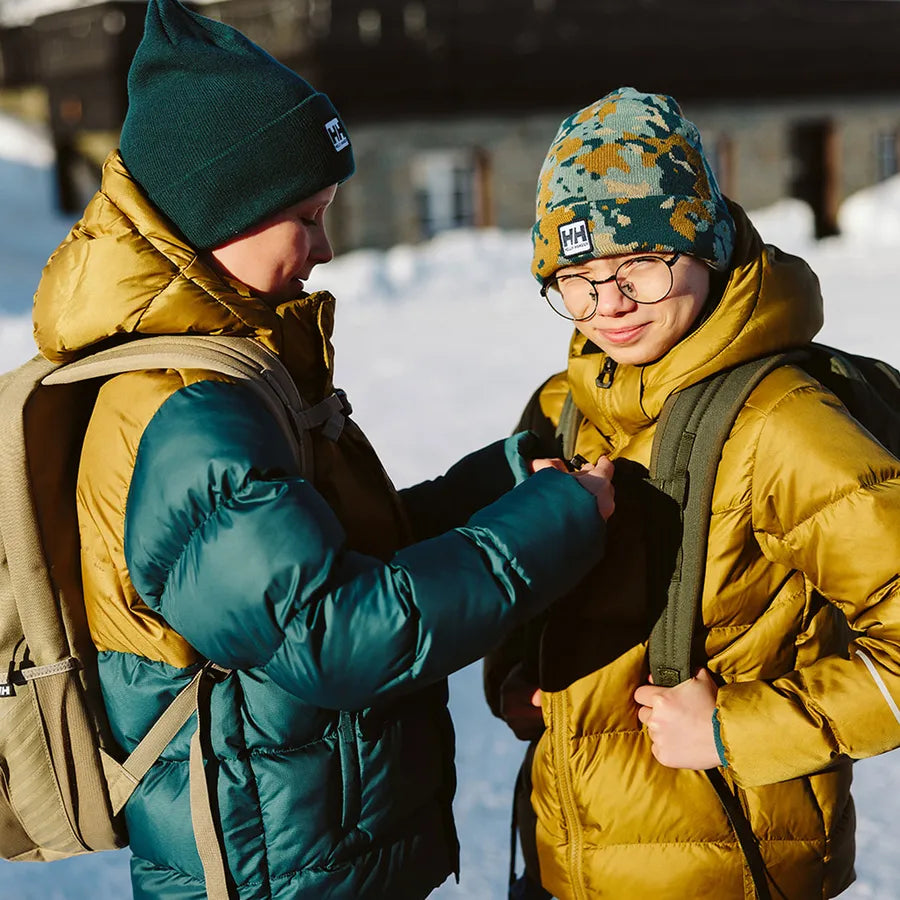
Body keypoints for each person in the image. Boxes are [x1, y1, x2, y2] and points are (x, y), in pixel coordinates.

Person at [30, 3, 616, 898]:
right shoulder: (188, 416)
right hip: (272, 877)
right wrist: (554, 525)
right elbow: (339, 636)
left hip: (313, 855)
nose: (328, 247)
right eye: (306, 215)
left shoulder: (226, 374)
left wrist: (499, 482)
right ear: (223, 207)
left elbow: (328, 556)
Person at [485, 86, 900, 899]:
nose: (609, 304)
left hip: (731, 867)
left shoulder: (782, 424)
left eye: (641, 263)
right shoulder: (565, 406)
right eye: (576, 275)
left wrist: (734, 727)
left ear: (704, 245)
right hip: (566, 860)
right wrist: (517, 669)